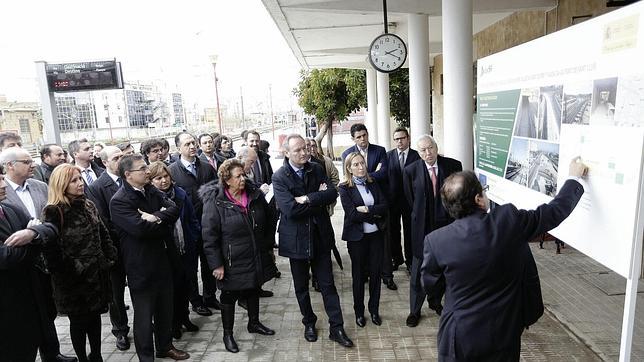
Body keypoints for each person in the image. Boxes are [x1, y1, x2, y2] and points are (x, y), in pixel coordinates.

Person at [421, 159, 588, 361]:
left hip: (459, 336)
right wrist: (573, 178)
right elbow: (552, 213)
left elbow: (431, 286)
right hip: (503, 332)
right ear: (478, 199)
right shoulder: (508, 220)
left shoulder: (436, 241)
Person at [272, 134, 353, 347]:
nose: (303, 153)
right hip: (296, 239)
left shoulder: (316, 168)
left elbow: (332, 194)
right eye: (297, 150)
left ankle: (337, 327)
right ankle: (309, 322)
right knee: (301, 287)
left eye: (304, 149)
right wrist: (317, 198)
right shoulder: (280, 177)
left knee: (328, 285)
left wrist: (307, 198)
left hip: (319, 236)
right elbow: (289, 209)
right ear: (286, 152)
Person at [109, 154, 189, 361]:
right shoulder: (119, 201)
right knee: (144, 315)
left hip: (163, 259)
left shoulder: (150, 189)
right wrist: (160, 221)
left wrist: (155, 217)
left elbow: (174, 209)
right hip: (140, 266)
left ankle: (165, 346)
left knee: (165, 309)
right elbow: (141, 230)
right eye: (142, 168)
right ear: (128, 175)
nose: (147, 171)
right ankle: (146, 356)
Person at [0, 147, 76, 362]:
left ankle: (51, 354)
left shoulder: (10, 208)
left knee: (44, 316)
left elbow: (50, 228)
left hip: (33, 279)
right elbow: (6, 257)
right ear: (10, 166)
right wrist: (34, 242)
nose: (3, 184)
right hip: (9, 296)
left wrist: (31, 232)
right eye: (26, 161)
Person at [41, 164, 118, 362]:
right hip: (73, 283)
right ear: (62, 184)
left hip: (97, 276)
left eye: (80, 179)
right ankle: (82, 358)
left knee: (95, 320)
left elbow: (102, 233)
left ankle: (97, 355)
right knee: (79, 323)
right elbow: (52, 251)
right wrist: (76, 268)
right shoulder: (54, 211)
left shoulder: (88, 204)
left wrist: (109, 257)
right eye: (73, 180)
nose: (80, 184)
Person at [200, 159, 277, 353]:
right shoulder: (216, 202)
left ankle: (254, 323)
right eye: (238, 176)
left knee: (253, 288)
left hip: (254, 254)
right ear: (227, 180)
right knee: (229, 296)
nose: (243, 178)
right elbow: (209, 236)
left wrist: (266, 244)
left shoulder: (254, 195)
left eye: (244, 174)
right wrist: (216, 264)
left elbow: (269, 219)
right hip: (231, 259)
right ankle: (228, 334)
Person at [403, 134, 462, 327]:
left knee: (445, 269)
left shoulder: (454, 166)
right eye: (423, 150)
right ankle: (414, 311)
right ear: (418, 152)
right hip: (422, 229)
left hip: (447, 227)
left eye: (431, 148)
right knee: (419, 270)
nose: (428, 153)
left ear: (436, 147)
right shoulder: (410, 170)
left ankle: (435, 302)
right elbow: (411, 201)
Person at [168, 132, 220, 316]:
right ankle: (195, 301)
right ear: (178, 148)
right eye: (187, 144)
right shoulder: (172, 171)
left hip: (208, 225)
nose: (192, 147)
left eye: (193, 142)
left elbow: (216, 195)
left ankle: (210, 296)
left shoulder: (206, 168)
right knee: (190, 267)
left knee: (209, 263)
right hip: (187, 228)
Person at [148, 161, 200, 339]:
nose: (164, 181)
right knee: (170, 290)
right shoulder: (151, 199)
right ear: (151, 180)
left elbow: (192, 219)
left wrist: (193, 238)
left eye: (166, 176)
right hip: (166, 252)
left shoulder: (180, 193)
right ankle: (173, 323)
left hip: (185, 247)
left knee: (186, 285)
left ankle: (184, 317)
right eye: (158, 178)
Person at [341, 123, 396, 291]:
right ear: (353, 138)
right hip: (357, 201)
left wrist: (365, 176)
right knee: (363, 249)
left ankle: (387, 276)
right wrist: (367, 173)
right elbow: (349, 177)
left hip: (378, 197)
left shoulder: (379, 150)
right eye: (358, 137)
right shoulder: (346, 153)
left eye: (364, 135)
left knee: (385, 245)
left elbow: (384, 172)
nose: (362, 139)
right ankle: (366, 274)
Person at [86, 146, 131, 351]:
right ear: (104, 162)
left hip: (136, 247)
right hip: (115, 248)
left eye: (123, 156)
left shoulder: (131, 178)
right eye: (116, 157)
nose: (121, 160)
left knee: (141, 287)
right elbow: (103, 220)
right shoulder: (97, 187)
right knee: (116, 294)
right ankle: (120, 330)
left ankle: (147, 322)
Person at [338, 152, 388, 328]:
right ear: (349, 169)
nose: (360, 167)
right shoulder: (344, 187)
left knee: (376, 274)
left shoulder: (372, 183)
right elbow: (351, 214)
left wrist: (367, 209)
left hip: (375, 236)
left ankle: (374, 310)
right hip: (357, 238)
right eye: (356, 165)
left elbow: (385, 206)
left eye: (362, 164)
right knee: (358, 276)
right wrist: (375, 212)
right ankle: (359, 312)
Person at [386, 127, 420, 271]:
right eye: (396, 139)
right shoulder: (388, 156)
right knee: (393, 230)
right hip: (392, 201)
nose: (399, 141)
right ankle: (396, 258)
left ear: (408, 138)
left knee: (409, 231)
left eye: (402, 138)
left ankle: (410, 260)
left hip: (410, 201)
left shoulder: (417, 156)